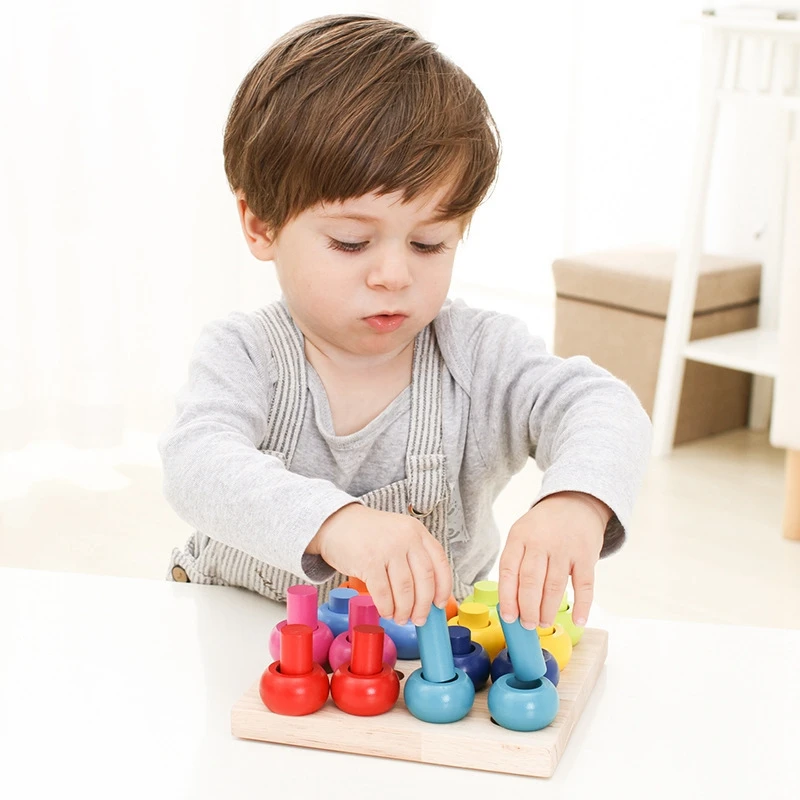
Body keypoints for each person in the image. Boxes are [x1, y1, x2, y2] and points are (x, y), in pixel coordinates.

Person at [160, 14, 651, 633]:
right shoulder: (245, 355)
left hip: (423, 673)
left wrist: (576, 500)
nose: (394, 274)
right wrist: (336, 524)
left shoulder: (477, 356)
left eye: (428, 244)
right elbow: (196, 464)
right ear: (262, 226)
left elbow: (600, 404)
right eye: (349, 242)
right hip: (241, 646)